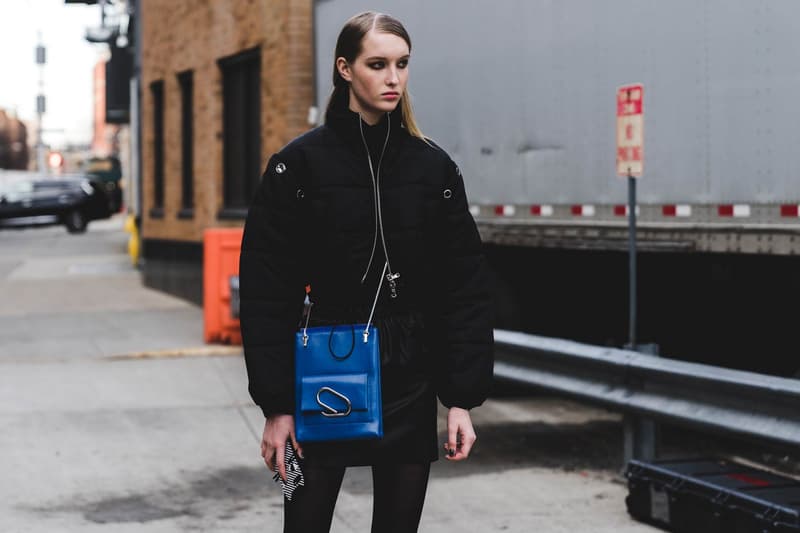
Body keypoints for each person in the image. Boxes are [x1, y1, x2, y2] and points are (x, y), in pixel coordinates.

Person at [239, 11, 494, 533]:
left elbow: (461, 286)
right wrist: (277, 407)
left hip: (409, 372)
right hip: (325, 372)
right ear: (344, 69)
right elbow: (269, 292)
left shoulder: (433, 168)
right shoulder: (297, 167)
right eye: (377, 64)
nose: (393, 78)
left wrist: (461, 400)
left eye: (402, 64)